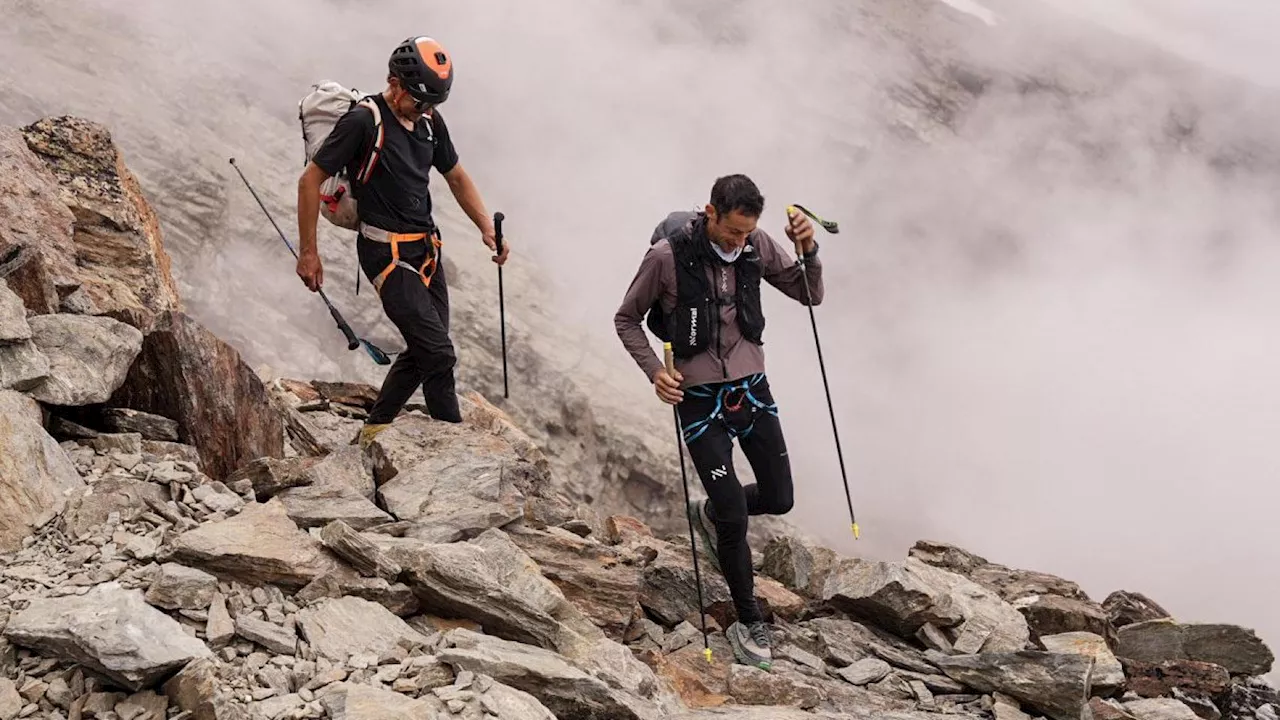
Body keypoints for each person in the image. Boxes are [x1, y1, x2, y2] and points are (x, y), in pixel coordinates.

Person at [613, 174, 820, 670]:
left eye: (747, 234)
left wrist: (809, 252)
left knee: (779, 498)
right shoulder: (665, 258)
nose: (739, 243)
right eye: (731, 233)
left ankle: (710, 513)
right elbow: (626, 319)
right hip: (699, 399)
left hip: (751, 389)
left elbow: (808, 294)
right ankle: (749, 621)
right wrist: (656, 374)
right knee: (735, 516)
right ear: (710, 212)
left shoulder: (757, 246)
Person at [295, 36, 509, 446]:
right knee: (439, 353)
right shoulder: (363, 121)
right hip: (384, 252)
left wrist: (486, 227)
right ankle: (456, 446)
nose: (426, 110)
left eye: (433, 104)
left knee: (426, 348)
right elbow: (310, 181)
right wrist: (309, 253)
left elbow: (456, 176)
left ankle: (373, 433)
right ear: (393, 83)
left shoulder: (429, 121)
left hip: (426, 249)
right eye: (419, 101)